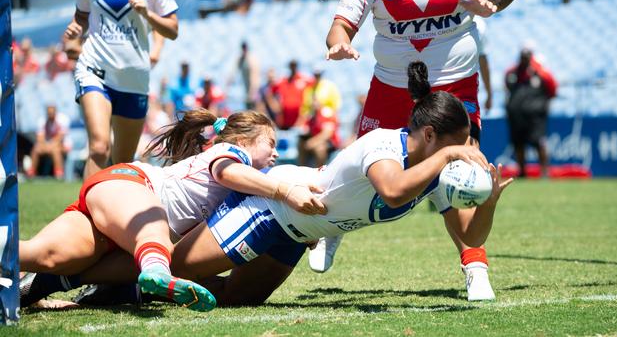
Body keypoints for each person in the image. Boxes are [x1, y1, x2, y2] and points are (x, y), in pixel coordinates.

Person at [27, 62, 512, 308]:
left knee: (237, 301)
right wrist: (453, 153)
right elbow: (390, 191)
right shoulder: (385, 145)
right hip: (272, 207)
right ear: (430, 135)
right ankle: (65, 275)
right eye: (461, 141)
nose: (467, 151)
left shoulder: (432, 169)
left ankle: (104, 283)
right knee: (167, 265)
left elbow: (471, 236)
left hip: (298, 231)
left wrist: (486, 198)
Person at [316, 0, 521, 300]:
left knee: (462, 175)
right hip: (391, 87)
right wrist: (339, 43)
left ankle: (475, 269)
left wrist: (492, 3)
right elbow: (340, 27)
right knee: (362, 171)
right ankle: (331, 228)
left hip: (455, 85)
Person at [19, 109, 327, 310]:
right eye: (269, 143)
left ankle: (34, 285)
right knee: (158, 244)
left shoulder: (245, 182)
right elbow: (225, 173)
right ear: (245, 139)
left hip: (116, 216)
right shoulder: (231, 153)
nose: (276, 152)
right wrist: (284, 191)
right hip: (130, 186)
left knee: (43, 256)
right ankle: (155, 273)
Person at [64, 0, 179, 180]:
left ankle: (112, 210)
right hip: (94, 70)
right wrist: (76, 30)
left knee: (123, 162)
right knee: (99, 147)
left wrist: (147, 14)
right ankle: (88, 212)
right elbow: (81, 16)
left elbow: (173, 29)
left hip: (133, 80)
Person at [505, 46, 557, 178]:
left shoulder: (541, 74)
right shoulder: (512, 73)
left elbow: (553, 90)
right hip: (516, 116)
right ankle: (522, 171)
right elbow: (507, 88)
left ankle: (544, 172)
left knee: (539, 143)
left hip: (535, 117)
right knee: (519, 144)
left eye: (527, 57)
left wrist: (540, 106)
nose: (524, 60)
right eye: (522, 57)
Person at [26, 104, 71, 180]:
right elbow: (40, 138)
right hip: (47, 145)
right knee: (36, 149)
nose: (50, 115)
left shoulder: (63, 119)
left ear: (55, 112)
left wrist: (49, 146)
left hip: (63, 145)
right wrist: (46, 146)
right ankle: (31, 173)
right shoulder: (42, 120)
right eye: (49, 113)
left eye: (52, 113)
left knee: (55, 150)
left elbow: (60, 137)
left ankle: (59, 173)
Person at [268, 60, 313, 130]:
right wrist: (274, 105)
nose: (293, 68)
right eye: (291, 66)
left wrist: (307, 110)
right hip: (284, 119)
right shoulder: (284, 81)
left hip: (299, 120)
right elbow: (270, 92)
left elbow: (314, 88)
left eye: (294, 66)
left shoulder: (304, 80)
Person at [226, 42, 260, 110]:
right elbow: (233, 72)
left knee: (254, 109)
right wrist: (227, 85)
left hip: (253, 89)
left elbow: (255, 76)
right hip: (245, 90)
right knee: (247, 109)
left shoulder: (252, 59)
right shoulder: (241, 59)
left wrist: (253, 90)